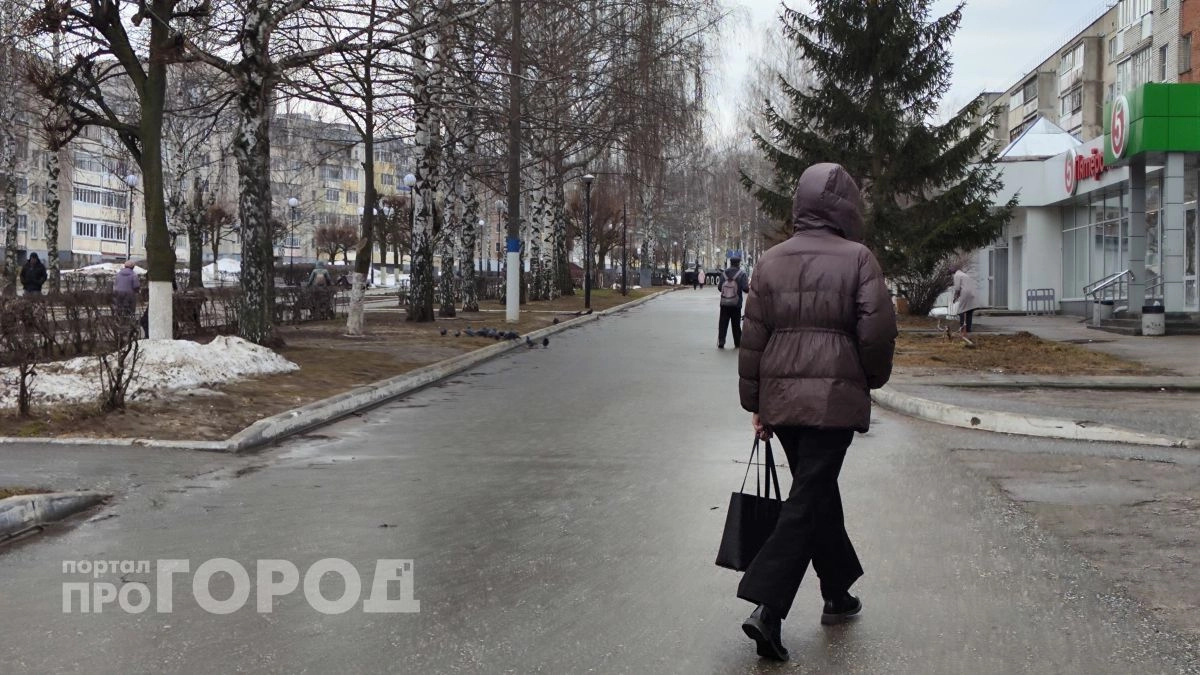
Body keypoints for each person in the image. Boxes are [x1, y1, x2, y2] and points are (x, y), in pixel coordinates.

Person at [735, 163, 897, 661]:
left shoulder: (769, 262)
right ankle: (769, 607)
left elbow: (753, 337)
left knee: (815, 491)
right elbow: (876, 332)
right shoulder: (859, 259)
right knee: (809, 497)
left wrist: (756, 403)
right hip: (832, 400)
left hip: (782, 401)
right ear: (847, 206)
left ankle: (836, 592)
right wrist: (867, 380)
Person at [717, 257, 749, 348]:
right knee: (736, 324)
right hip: (736, 303)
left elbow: (720, 288)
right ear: (739, 263)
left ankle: (721, 341)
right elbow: (746, 289)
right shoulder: (742, 274)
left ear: (730, 263)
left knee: (723, 323)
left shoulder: (724, 274)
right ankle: (737, 342)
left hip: (724, 303)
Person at [951, 266, 980, 337]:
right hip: (972, 294)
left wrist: (955, 297)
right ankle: (968, 329)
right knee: (969, 311)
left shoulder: (957, 275)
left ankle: (962, 328)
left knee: (961, 311)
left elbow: (957, 288)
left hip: (965, 294)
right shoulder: (965, 275)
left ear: (952, 272)